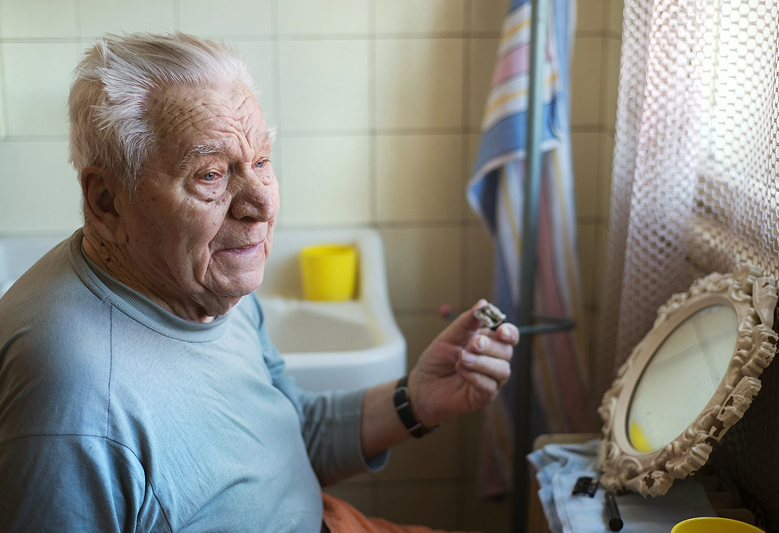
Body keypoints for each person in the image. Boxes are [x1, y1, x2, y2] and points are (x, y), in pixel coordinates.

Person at [0, 32, 518, 533]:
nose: (263, 205)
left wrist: (416, 399)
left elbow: (286, 432)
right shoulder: (69, 398)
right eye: (209, 174)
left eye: (262, 161)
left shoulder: (204, 283)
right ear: (106, 201)